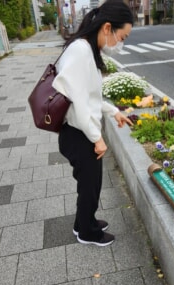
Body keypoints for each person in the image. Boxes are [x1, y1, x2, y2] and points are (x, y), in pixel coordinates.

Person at [52, 0, 134, 246]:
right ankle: (87, 232)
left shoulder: (87, 49)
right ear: (107, 27)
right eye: (123, 36)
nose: (122, 43)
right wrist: (96, 138)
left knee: (91, 184)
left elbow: (90, 95)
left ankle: (83, 222)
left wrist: (112, 111)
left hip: (80, 131)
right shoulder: (81, 51)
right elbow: (77, 101)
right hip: (78, 134)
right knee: (89, 186)